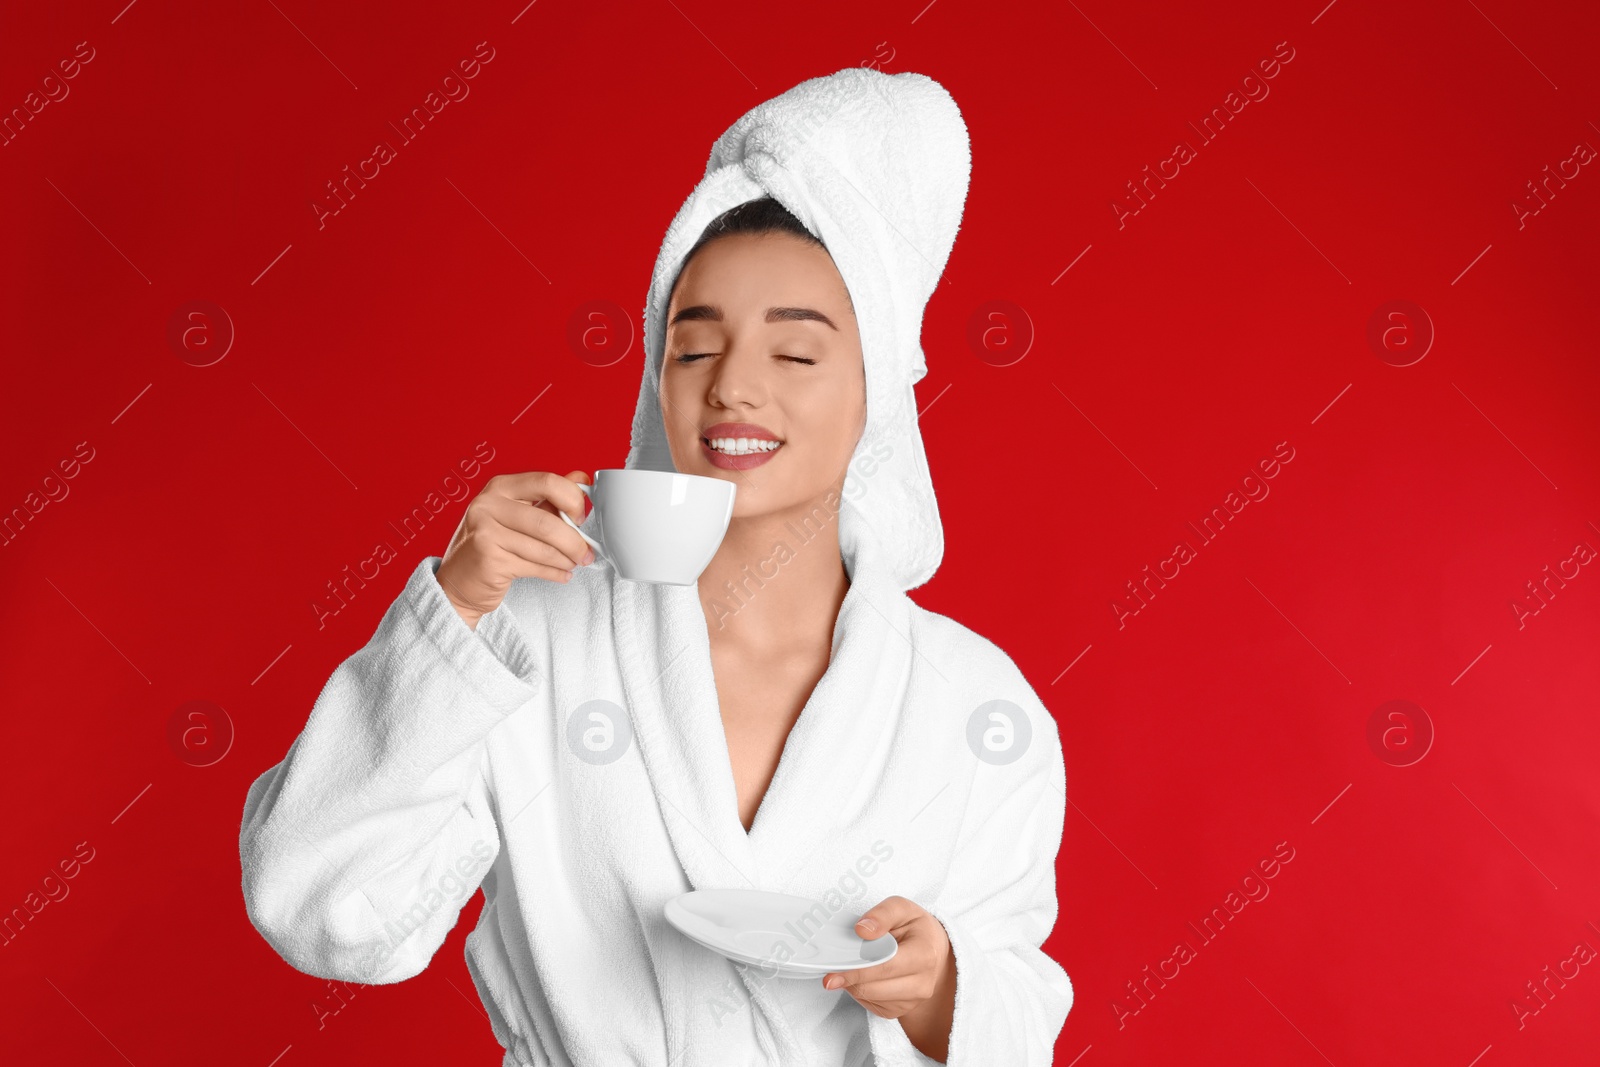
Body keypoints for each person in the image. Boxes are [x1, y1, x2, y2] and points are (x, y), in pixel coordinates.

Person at [240, 68, 1071, 1066]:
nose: (732, 385)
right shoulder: (526, 636)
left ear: (878, 396)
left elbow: (1016, 1003)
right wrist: (449, 618)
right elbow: (324, 907)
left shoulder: (974, 701)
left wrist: (943, 989)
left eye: (795, 355)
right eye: (691, 349)